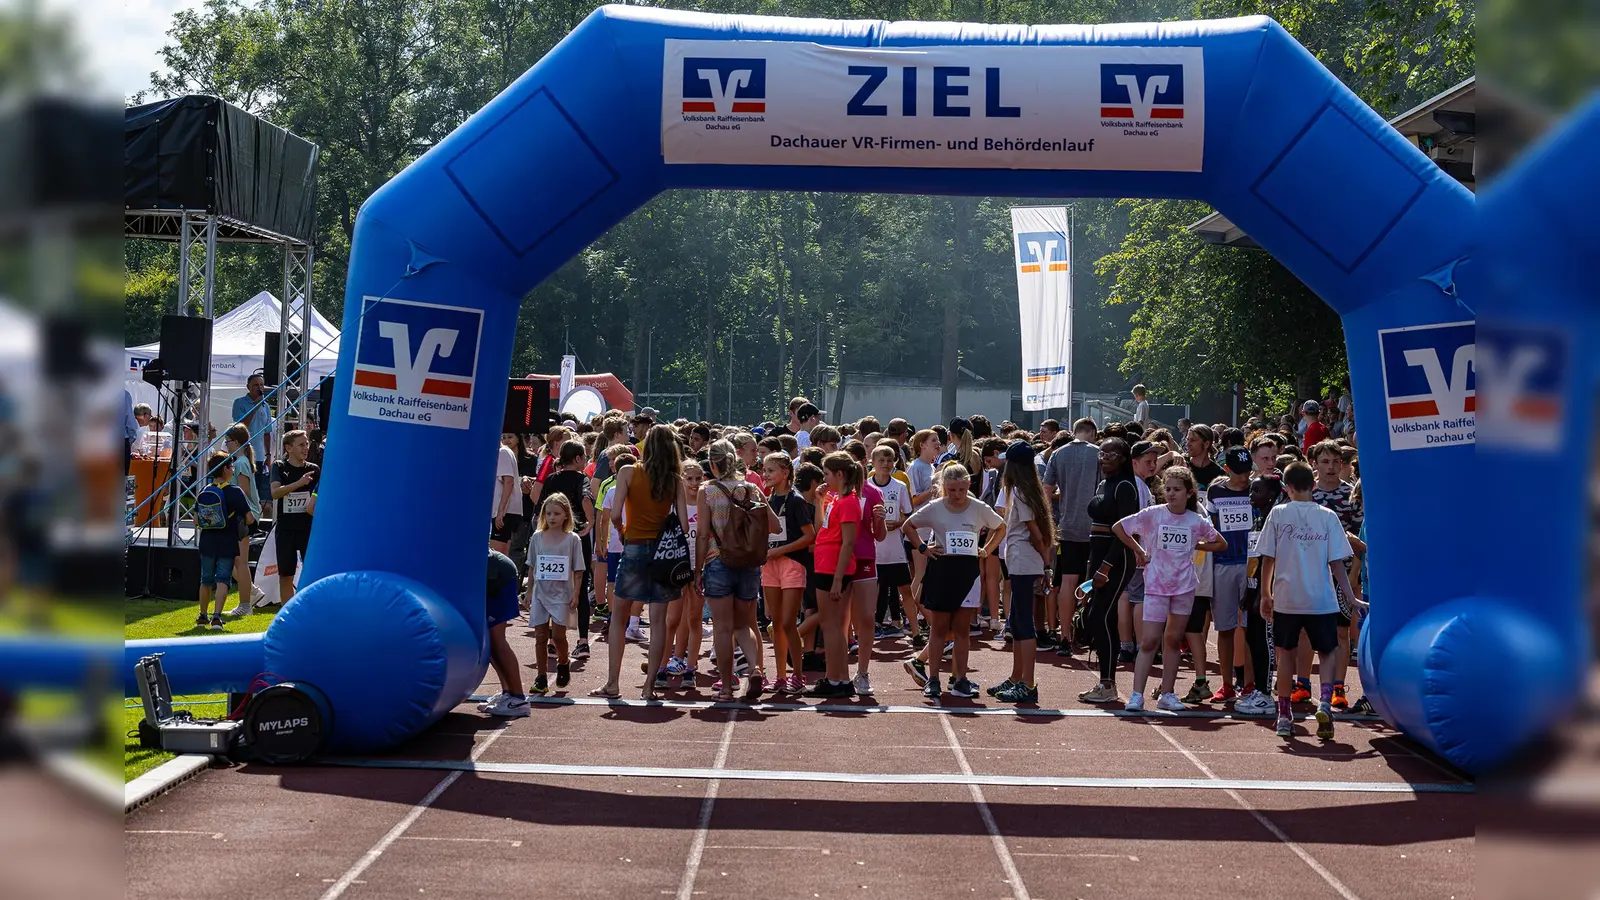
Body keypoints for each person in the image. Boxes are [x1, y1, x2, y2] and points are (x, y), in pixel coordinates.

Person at [1259, 461, 1363, 740]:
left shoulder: (1278, 513)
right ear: (1314, 485)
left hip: (1287, 599)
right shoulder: (1328, 516)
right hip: (1322, 600)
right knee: (1328, 652)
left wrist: (1265, 594)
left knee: (1286, 655)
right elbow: (1337, 563)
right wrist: (1351, 597)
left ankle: (1284, 714)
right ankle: (1326, 704)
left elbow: (1267, 557)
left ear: (1287, 488)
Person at [1112, 466, 1228, 712]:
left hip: (1184, 587)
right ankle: (1136, 695)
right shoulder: (1153, 514)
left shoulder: (1196, 520)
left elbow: (1220, 543)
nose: (1171, 493)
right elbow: (1119, 527)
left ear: (1189, 493)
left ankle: (1167, 693)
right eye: (1168, 489)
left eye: (1177, 489)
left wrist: (1196, 545)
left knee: (1173, 640)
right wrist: (1140, 551)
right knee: (1149, 640)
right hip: (1155, 585)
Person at [593, 424, 689, 701]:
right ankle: (649, 686)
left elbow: (614, 514)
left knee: (619, 615)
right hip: (663, 552)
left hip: (634, 545)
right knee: (658, 621)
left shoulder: (628, 471)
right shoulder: (675, 480)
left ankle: (613, 683)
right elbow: (682, 523)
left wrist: (623, 532)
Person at [900, 464, 1004, 701]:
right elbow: (909, 526)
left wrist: (986, 550)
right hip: (942, 569)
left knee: (961, 631)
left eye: (961, 489)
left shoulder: (978, 508)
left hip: (968, 573)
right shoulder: (936, 507)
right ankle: (933, 679)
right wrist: (923, 548)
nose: (957, 495)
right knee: (937, 629)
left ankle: (960, 679)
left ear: (969, 485)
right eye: (951, 490)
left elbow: (1000, 527)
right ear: (943, 488)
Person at [696, 439, 781, 702]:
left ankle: (725, 688)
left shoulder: (707, 491)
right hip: (748, 563)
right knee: (745, 624)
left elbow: (701, 535)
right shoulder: (753, 488)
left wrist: (698, 569)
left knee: (722, 627)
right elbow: (775, 526)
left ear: (712, 463)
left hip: (718, 560)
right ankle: (755, 669)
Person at [989, 441, 1054, 704]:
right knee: (1017, 620)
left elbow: (1037, 534)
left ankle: (1027, 682)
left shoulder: (1021, 493)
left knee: (1024, 622)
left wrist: (1046, 563)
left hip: (1025, 560)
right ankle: (1017, 677)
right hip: (1021, 560)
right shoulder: (1024, 490)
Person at [1079, 438, 1141, 704]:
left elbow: (1126, 530)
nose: (1104, 458)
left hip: (1116, 557)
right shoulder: (1105, 483)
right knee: (1099, 616)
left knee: (1099, 616)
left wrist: (1105, 567)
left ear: (1124, 458)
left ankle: (1107, 683)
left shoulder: (1126, 486)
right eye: (1102, 453)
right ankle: (1106, 682)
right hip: (1098, 553)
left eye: (1111, 454)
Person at [806, 451, 863, 698]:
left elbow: (848, 542)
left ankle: (835, 678)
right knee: (832, 626)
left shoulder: (849, 502)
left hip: (833, 568)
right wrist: (820, 502)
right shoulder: (834, 498)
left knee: (831, 626)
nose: (824, 479)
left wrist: (839, 578)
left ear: (840, 474)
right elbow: (822, 529)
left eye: (827, 474)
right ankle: (839, 679)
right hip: (825, 564)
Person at [1044, 417, 1100, 656]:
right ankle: (1085, 631)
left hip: (1068, 526)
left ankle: (1065, 635)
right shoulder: (1099, 454)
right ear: (1093, 434)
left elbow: (1046, 490)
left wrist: (1052, 519)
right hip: (1095, 527)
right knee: (1092, 582)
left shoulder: (1058, 454)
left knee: (1067, 582)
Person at [761, 451, 814, 694]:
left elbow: (809, 537)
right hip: (769, 565)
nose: (766, 475)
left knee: (788, 622)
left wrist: (780, 550)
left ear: (785, 472)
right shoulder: (767, 499)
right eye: (764, 470)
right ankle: (780, 675)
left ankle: (798, 676)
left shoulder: (796, 501)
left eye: (771, 470)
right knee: (775, 622)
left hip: (792, 563)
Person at [525, 493, 585, 696]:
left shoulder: (572, 539)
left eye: (557, 513)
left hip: (562, 594)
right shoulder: (536, 537)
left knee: (559, 636)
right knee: (540, 636)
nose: (552, 517)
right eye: (548, 513)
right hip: (541, 593)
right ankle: (541, 677)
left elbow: (578, 570)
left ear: (566, 515)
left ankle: (563, 662)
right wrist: (529, 591)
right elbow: (532, 567)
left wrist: (576, 594)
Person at [195, 451, 254, 631]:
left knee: (205, 580)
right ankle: (216, 618)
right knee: (223, 580)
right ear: (226, 469)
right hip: (227, 542)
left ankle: (202, 615)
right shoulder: (234, 491)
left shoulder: (204, 491)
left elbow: (197, 521)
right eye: (231, 467)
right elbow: (250, 518)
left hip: (207, 541)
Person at [268, 430, 318, 605]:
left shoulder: (313, 469)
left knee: (311, 572)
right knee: (286, 574)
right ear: (288, 448)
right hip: (286, 529)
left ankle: (309, 611)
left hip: (308, 529)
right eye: (301, 444)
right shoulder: (279, 467)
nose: (306, 448)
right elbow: (275, 493)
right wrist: (299, 483)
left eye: (307, 444)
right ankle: (286, 614)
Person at [479, 549, 531, 717]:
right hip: (491, 577)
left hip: (500, 578)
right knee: (491, 643)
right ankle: (507, 694)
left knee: (498, 641)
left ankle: (519, 698)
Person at [222, 423, 264, 617]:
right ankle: (252, 594)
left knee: (240, 562)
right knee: (235, 561)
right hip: (242, 516)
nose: (226, 445)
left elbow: (243, 492)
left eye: (228, 441)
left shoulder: (240, 463)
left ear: (237, 442)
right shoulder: (242, 461)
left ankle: (246, 603)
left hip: (242, 517)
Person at [232, 372, 272, 500]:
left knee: (257, 490)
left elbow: (267, 432)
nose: (259, 387)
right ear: (248, 387)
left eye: (261, 385)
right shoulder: (239, 403)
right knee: (242, 488)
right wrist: (255, 406)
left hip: (259, 455)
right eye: (255, 385)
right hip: (242, 453)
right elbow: (241, 425)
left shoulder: (266, 406)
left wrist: (268, 454)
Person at [490, 432, 521, 554]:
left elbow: (509, 481)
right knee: (503, 554)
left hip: (504, 511)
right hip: (505, 511)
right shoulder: (506, 452)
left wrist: (500, 511)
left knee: (496, 555)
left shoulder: (502, 452)